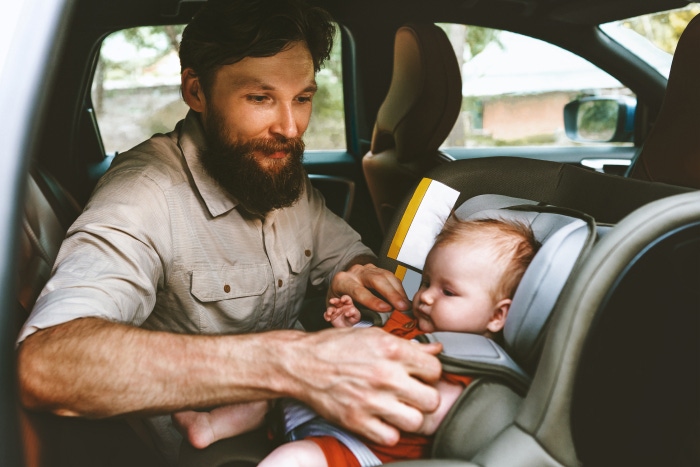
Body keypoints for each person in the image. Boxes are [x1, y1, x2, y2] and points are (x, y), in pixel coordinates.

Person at [15, 0, 443, 464]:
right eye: (260, 98)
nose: (289, 128)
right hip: (209, 451)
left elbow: (339, 254)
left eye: (302, 98)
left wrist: (354, 272)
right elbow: (46, 366)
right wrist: (292, 364)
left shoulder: (274, 167)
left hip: (295, 426)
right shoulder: (142, 196)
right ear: (197, 92)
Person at [255, 216, 540, 466]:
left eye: (448, 292)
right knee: (262, 386)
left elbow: (428, 412)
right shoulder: (405, 322)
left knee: (293, 459)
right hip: (317, 410)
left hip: (359, 447)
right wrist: (347, 327)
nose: (426, 296)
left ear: (498, 315)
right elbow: (354, 351)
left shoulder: (470, 367)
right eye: (427, 282)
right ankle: (213, 426)